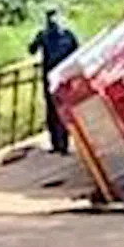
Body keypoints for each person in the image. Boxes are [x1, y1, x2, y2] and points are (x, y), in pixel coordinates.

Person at [28, 10, 80, 155]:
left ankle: (62, 143)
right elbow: (31, 49)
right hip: (56, 78)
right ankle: (61, 144)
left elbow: (31, 50)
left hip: (58, 78)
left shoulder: (61, 35)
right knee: (58, 110)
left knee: (59, 110)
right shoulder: (56, 35)